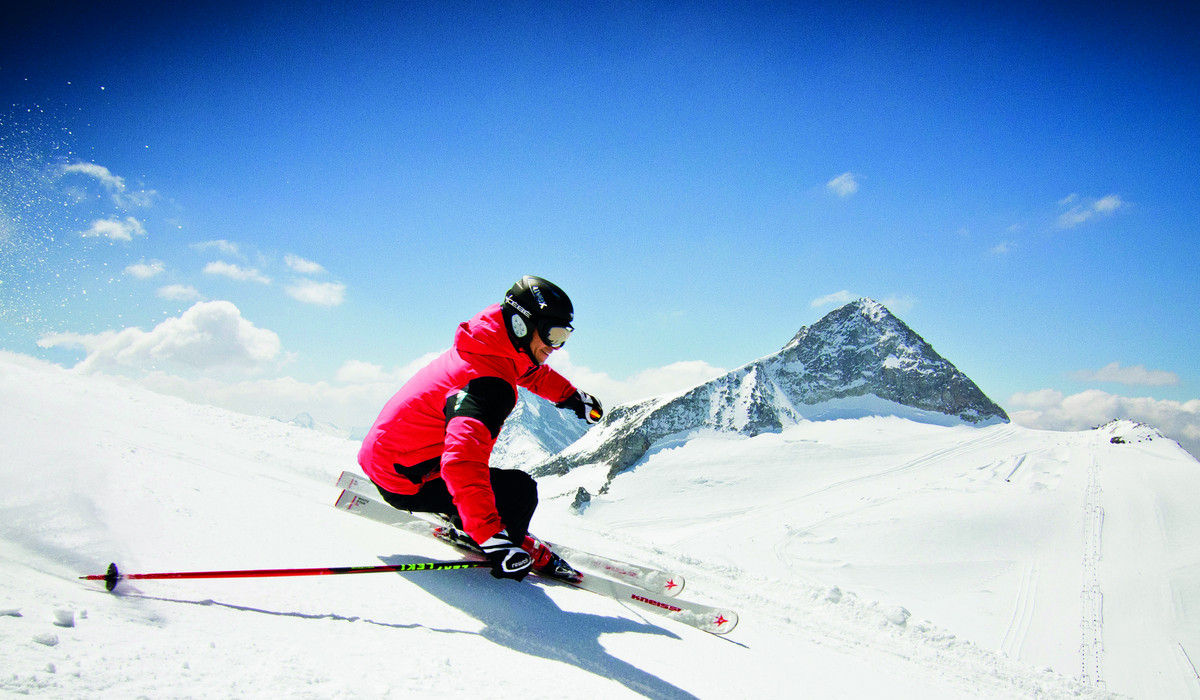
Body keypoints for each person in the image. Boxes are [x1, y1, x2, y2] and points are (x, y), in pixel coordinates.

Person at [357, 276, 604, 582]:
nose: (556, 346)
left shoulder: (490, 346)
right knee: (519, 492)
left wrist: (571, 397)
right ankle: (483, 535)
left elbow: (530, 372)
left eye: (564, 335)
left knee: (502, 486)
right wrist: (492, 539)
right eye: (552, 334)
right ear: (521, 325)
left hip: (395, 456)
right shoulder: (487, 387)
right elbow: (461, 463)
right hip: (407, 479)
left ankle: (470, 519)